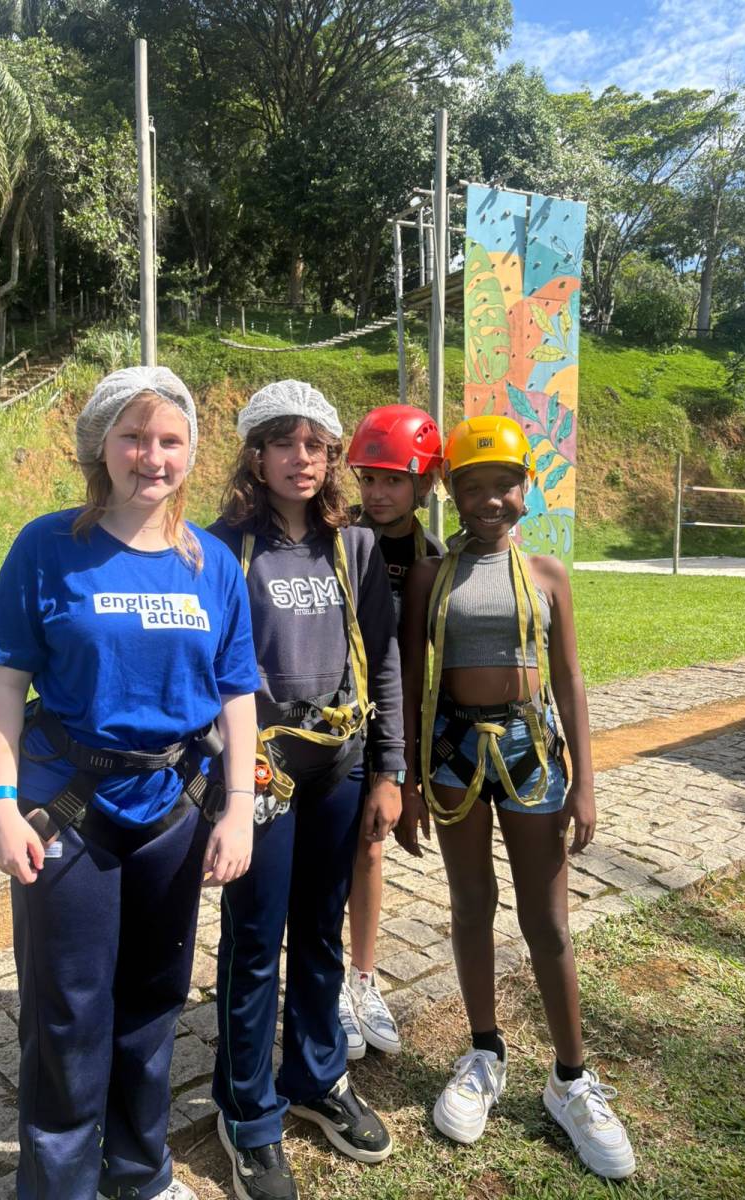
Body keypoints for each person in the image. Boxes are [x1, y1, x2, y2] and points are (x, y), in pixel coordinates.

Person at [0, 366, 261, 1200]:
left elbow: (237, 694)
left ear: (190, 453)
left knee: (154, 999)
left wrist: (239, 809)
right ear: (100, 445)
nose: (152, 456)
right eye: (134, 436)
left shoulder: (212, 563)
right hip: (66, 811)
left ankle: (139, 1171)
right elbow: (5, 685)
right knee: (66, 1012)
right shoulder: (47, 548)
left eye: (170, 439)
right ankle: (58, 1184)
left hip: (173, 811)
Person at [396, 414, 636, 1181]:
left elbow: (568, 679)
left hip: (535, 755)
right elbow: (410, 680)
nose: (490, 500)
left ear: (526, 490)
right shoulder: (432, 578)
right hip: (453, 753)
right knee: (471, 904)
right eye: (473, 487)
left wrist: (586, 782)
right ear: (453, 494)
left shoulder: (548, 576)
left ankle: (571, 1078)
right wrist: (407, 782)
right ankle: (484, 1052)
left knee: (548, 921)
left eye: (504, 485)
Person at [208, 380, 405, 1200]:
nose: (302, 458)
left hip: (340, 767)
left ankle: (316, 1077)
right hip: (260, 770)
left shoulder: (353, 546)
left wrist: (389, 769)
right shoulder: (221, 548)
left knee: (320, 930)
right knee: (256, 941)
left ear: (331, 459)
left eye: (316, 445)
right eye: (284, 443)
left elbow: (385, 661)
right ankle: (247, 1112)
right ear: (256, 455)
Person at [338, 404, 444, 1060]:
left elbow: (431, 670)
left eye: (394, 481)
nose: (378, 493)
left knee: (370, 850)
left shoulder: (438, 560)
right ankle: (325, 981)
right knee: (325, 855)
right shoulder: (333, 538)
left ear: (423, 483)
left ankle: (362, 977)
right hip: (330, 726)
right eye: (368, 478)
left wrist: (411, 773)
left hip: (393, 731)